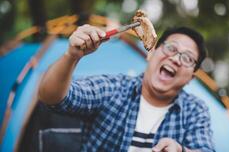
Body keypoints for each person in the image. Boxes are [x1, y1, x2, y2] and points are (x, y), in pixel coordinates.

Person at [38, 24, 215, 152]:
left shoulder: (195, 110)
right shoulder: (114, 89)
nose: (176, 59)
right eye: (171, 48)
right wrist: (71, 56)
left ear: (191, 77)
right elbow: (51, 97)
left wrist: (180, 150)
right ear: (151, 53)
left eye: (187, 59)